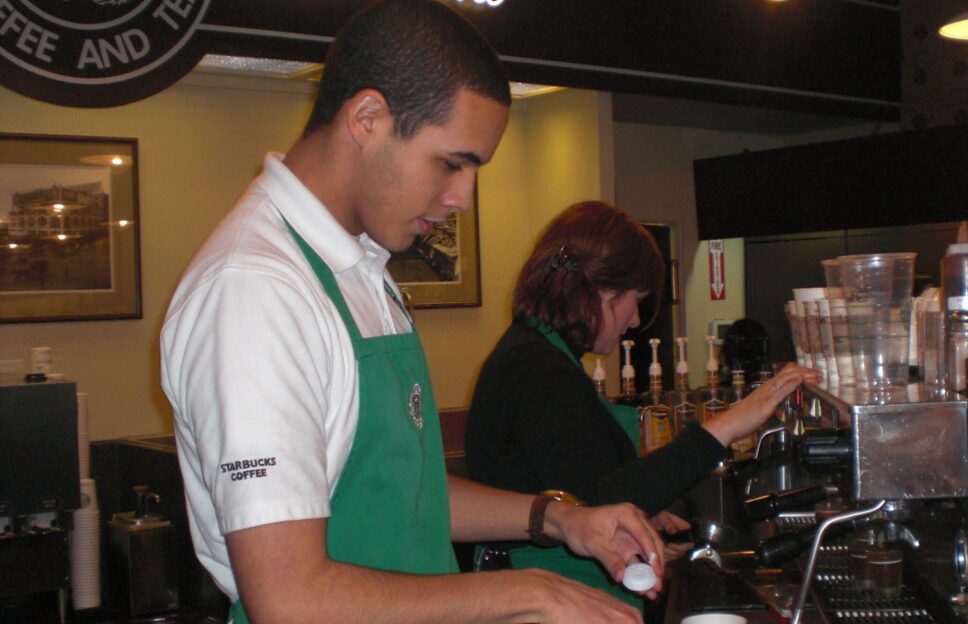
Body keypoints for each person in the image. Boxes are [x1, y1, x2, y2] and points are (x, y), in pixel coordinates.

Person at [159, 3, 665, 623]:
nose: (463, 198)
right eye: (452, 162)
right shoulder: (256, 291)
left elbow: (401, 498)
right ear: (367, 118)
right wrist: (532, 592)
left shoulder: (363, 270)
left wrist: (557, 517)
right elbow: (289, 600)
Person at [465, 201, 820, 608]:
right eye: (635, 298)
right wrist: (728, 425)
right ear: (598, 288)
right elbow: (600, 501)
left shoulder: (543, 356)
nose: (635, 319)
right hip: (541, 593)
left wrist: (638, 526)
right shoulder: (535, 366)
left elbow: (579, 486)